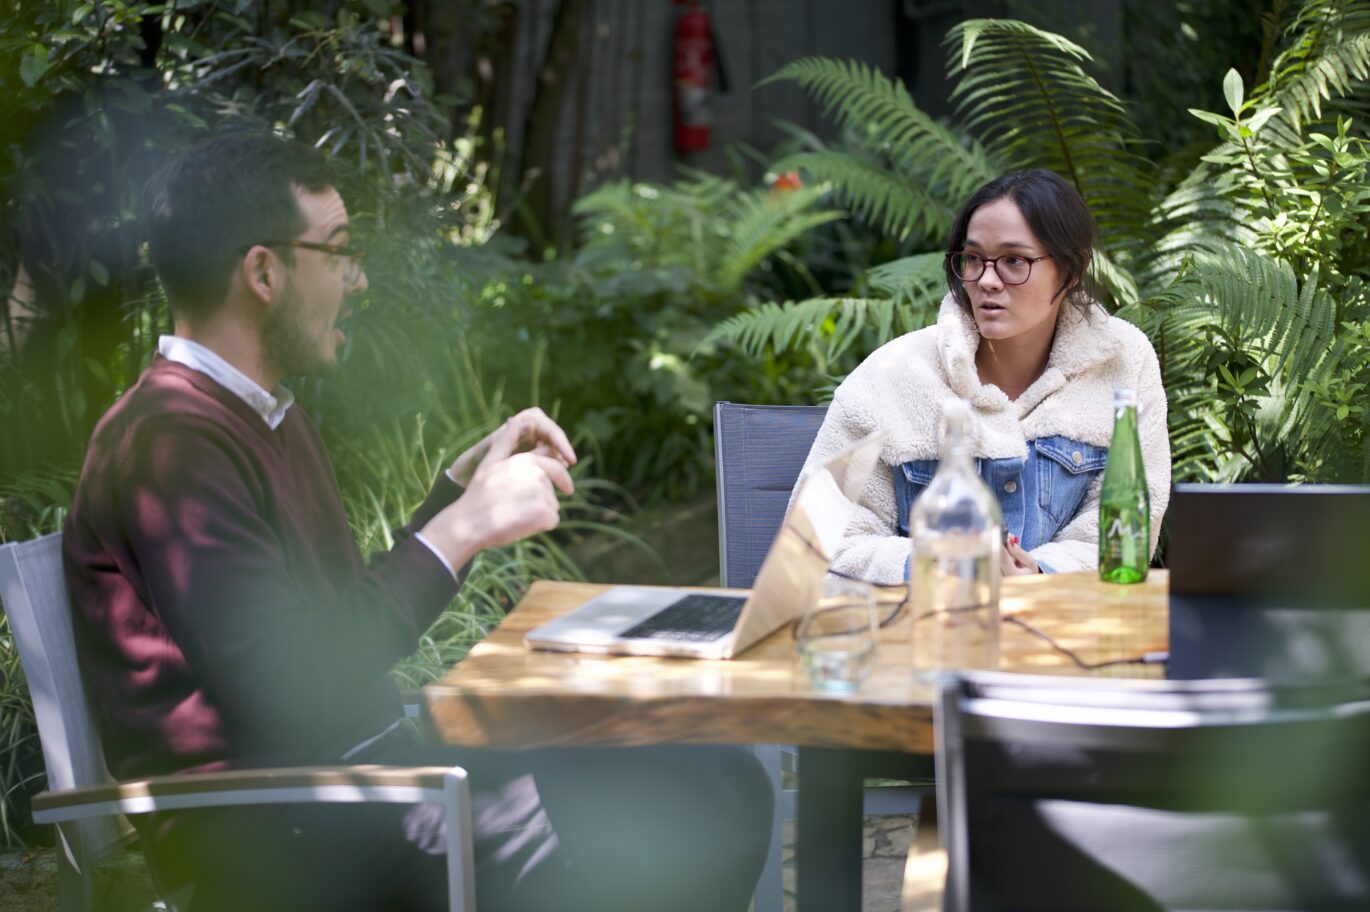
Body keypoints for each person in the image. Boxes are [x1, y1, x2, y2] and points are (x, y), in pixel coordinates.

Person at [62, 132, 770, 912]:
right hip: (279, 838)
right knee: (694, 805)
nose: (357, 279)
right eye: (338, 251)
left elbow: (326, 630)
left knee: (711, 774)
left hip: (357, 784)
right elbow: (291, 689)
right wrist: (465, 527)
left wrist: (455, 495)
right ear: (263, 272)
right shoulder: (171, 443)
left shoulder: (253, 416)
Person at [793, 168, 1170, 582]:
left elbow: (1128, 529)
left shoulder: (1123, 363)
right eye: (973, 259)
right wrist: (937, 562)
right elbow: (815, 539)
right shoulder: (892, 377)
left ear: (1072, 269)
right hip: (927, 618)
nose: (987, 280)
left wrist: (1039, 571)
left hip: (1067, 616)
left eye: (1013, 261)